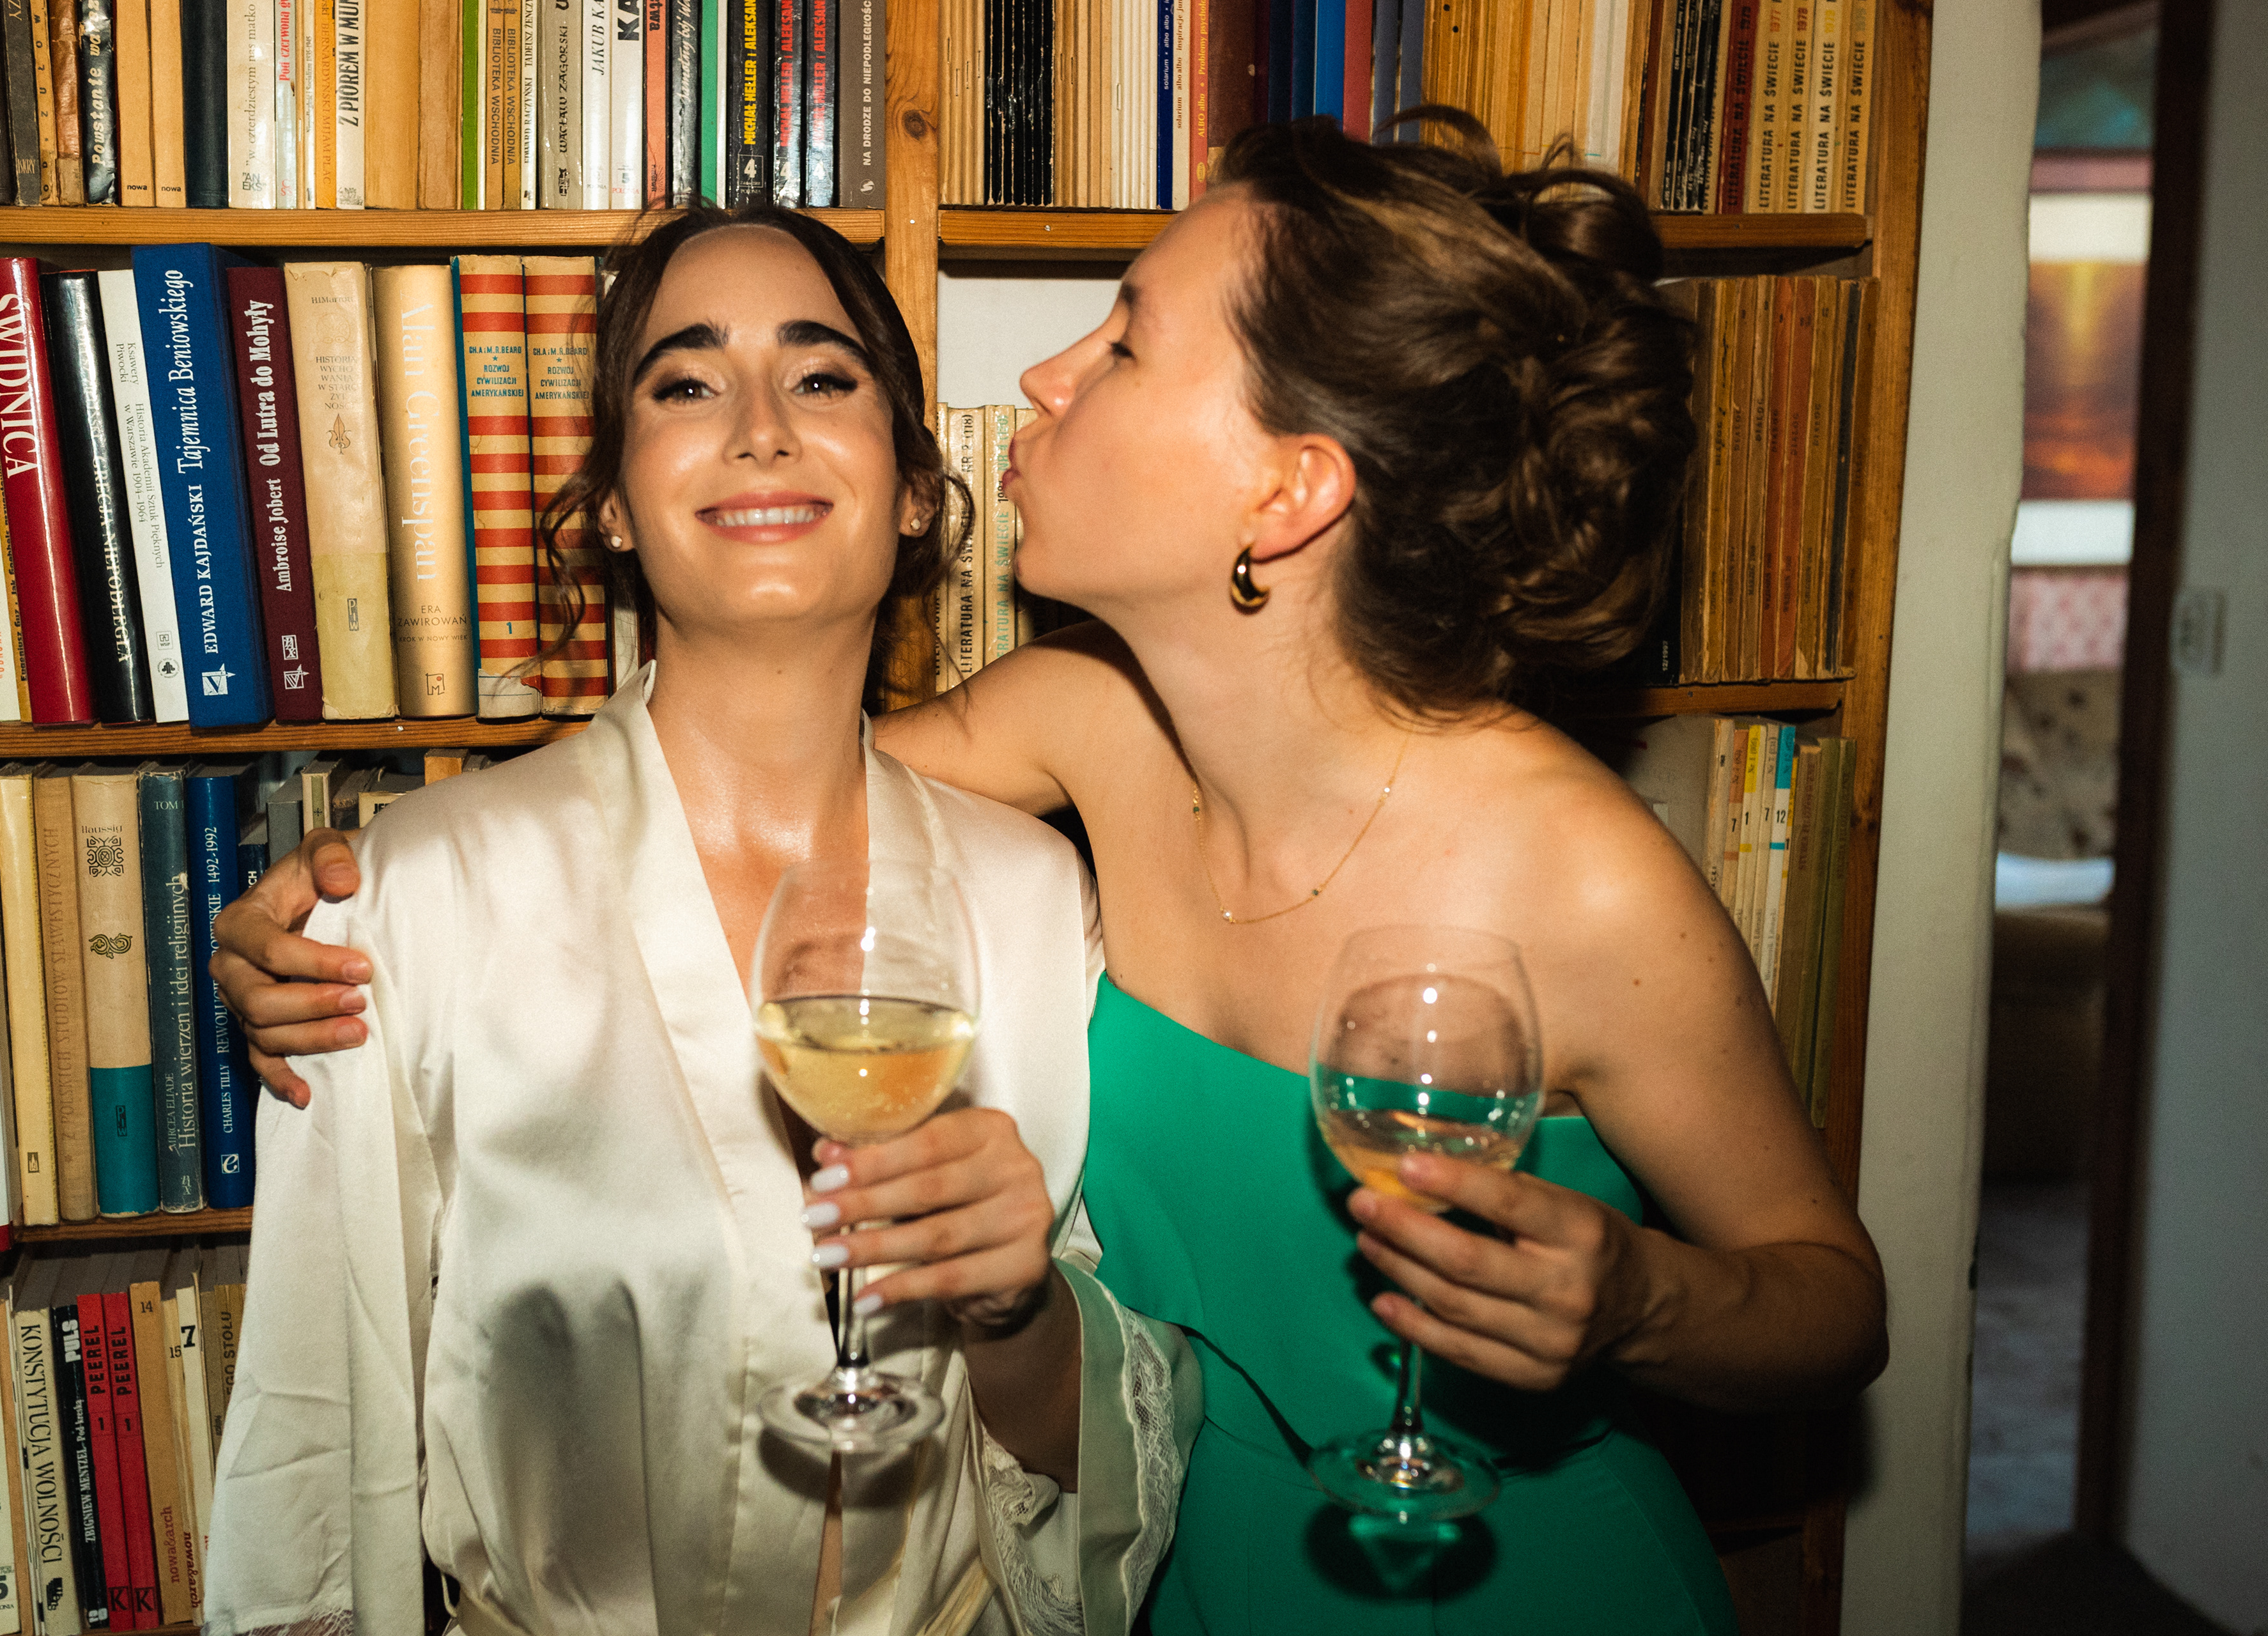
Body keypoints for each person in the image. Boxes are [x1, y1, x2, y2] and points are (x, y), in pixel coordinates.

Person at [219, 113, 1888, 1632]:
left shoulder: (1580, 875)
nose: (1043, 374)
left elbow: (1836, 1309)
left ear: (1289, 490)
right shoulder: (1088, 728)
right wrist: (382, 880)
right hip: (1188, 1568)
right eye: (686, 385)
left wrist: (1638, 1302)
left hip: (1506, 1578)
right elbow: (747, 779)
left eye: (1125, 342)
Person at [198, 205, 1195, 1636]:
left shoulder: (1040, 900)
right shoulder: (412, 897)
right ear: (614, 502)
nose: (760, 429)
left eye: (822, 375)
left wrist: (1016, 1307)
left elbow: (1094, 1463)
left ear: (915, 491)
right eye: (685, 383)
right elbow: (319, 1428)